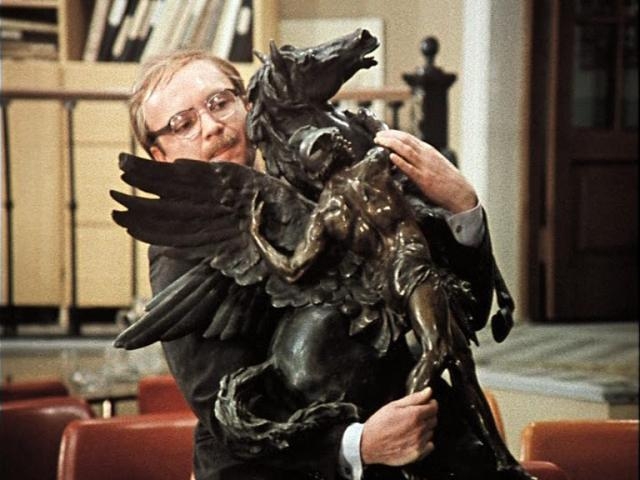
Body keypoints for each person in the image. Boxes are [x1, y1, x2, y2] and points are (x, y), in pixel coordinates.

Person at [128, 50, 495, 480]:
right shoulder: (179, 249)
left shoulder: (327, 176)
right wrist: (357, 444)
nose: (211, 126)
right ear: (160, 155)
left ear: (247, 104)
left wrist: (462, 206)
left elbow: (469, 312)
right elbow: (221, 404)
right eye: (182, 124)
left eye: (218, 102)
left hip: (415, 441)